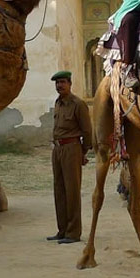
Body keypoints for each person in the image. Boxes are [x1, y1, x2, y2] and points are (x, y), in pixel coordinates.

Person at [48, 71, 92, 244]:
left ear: (70, 84)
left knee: (72, 191)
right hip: (57, 149)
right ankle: (62, 230)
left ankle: (73, 233)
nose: (60, 85)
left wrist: (82, 152)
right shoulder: (58, 103)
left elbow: (87, 131)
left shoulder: (78, 104)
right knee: (59, 190)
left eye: (63, 82)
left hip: (71, 148)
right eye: (57, 83)